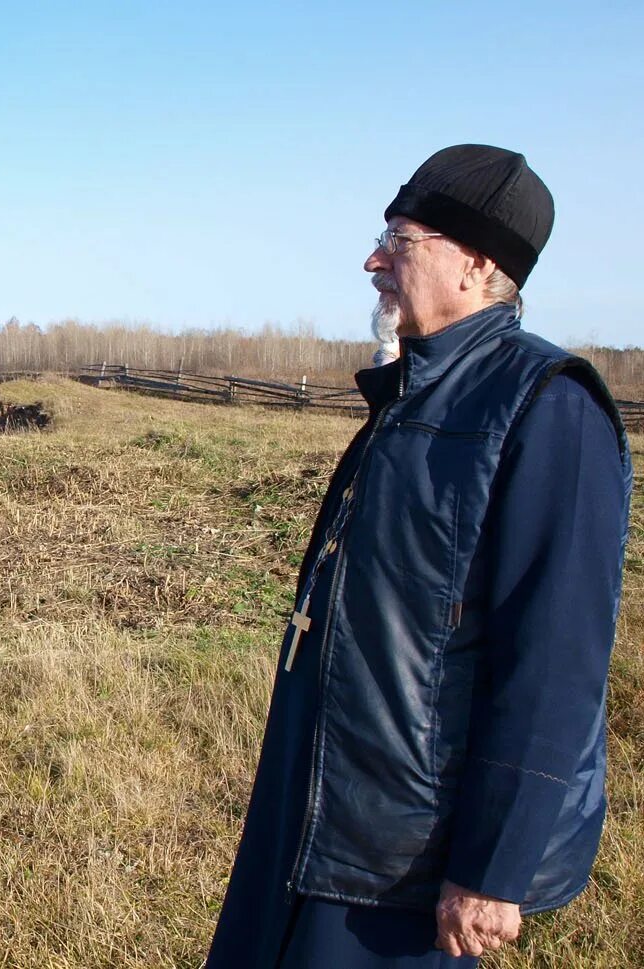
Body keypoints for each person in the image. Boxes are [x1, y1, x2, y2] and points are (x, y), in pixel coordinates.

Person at [205, 144, 633, 968]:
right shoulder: (413, 393)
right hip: (322, 807)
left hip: (406, 856)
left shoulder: (550, 408)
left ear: (476, 263)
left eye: (400, 238)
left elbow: (555, 659)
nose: (374, 259)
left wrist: (492, 867)